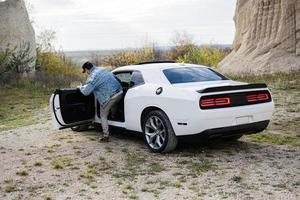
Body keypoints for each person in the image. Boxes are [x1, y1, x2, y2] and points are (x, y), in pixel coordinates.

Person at [80, 61, 123, 142]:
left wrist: (81, 87)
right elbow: (116, 78)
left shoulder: (92, 77)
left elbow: (85, 92)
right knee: (114, 104)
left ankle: (105, 136)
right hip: (120, 92)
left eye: (85, 71)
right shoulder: (103, 69)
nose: (86, 73)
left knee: (103, 115)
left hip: (109, 97)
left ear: (86, 69)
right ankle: (114, 116)